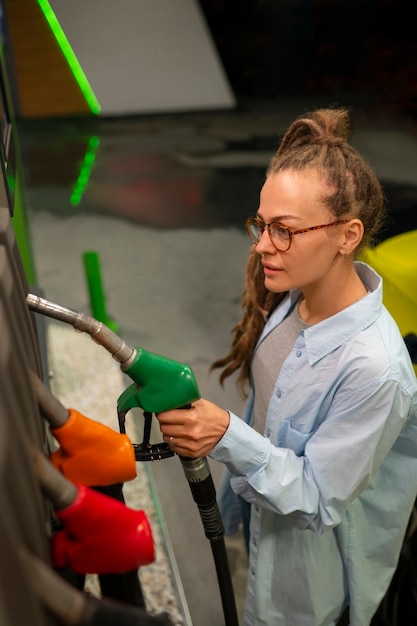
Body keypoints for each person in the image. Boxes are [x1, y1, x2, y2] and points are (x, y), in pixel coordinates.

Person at [155, 108, 417, 626]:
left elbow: (318, 500)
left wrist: (225, 433)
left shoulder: (375, 369)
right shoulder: (294, 300)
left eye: (284, 230)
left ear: (347, 235)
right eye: (261, 224)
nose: (261, 246)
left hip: (315, 590)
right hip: (264, 533)